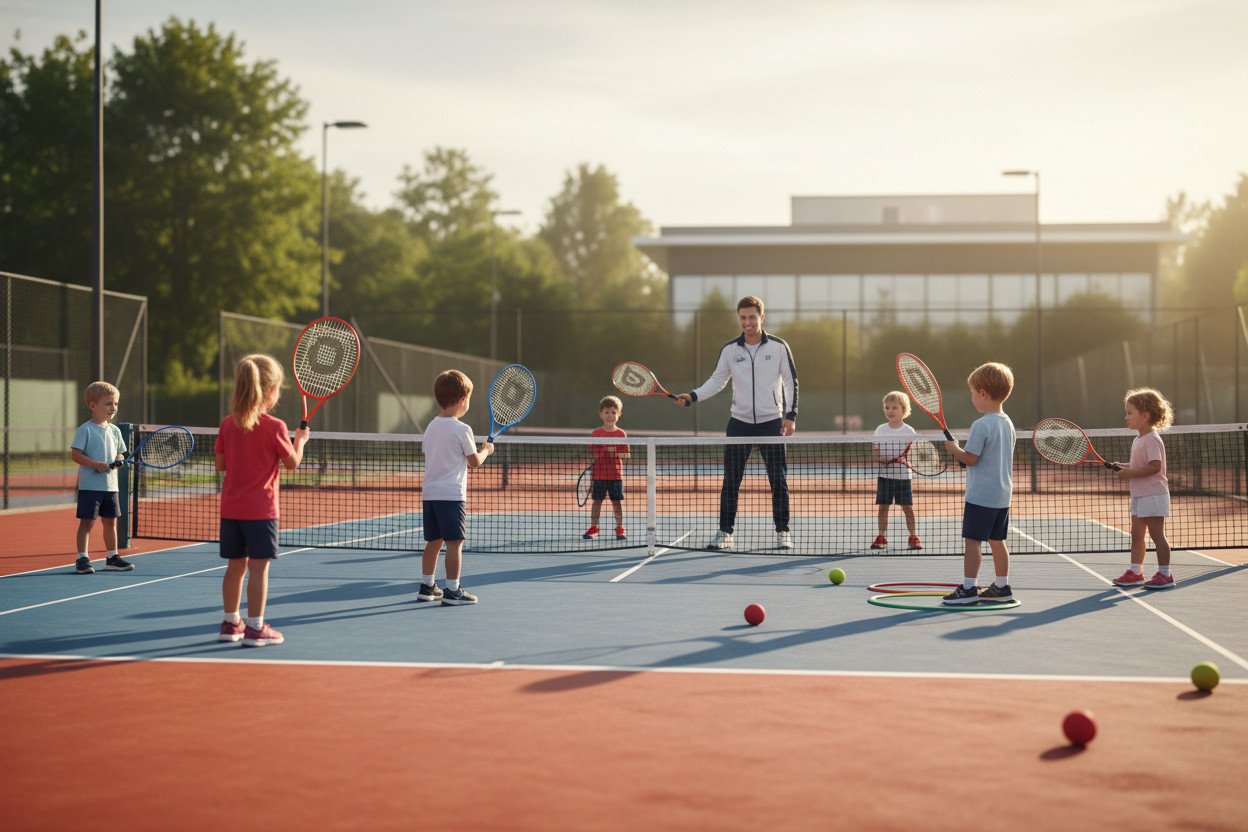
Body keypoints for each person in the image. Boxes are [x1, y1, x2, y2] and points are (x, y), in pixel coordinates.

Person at [674, 295, 798, 550]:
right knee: (731, 480)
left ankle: (783, 532)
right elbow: (717, 381)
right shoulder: (730, 349)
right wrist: (693, 396)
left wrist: (790, 416)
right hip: (739, 424)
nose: (748, 322)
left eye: (752, 317)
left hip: (772, 424)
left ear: (761, 317)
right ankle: (725, 533)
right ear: (739, 319)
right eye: (743, 317)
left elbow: (790, 382)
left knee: (778, 480)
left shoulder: (778, 347)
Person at [215, 354, 309, 646]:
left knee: (235, 567)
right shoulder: (275, 426)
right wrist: (301, 440)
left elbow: (221, 464)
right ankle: (255, 627)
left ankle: (231, 624)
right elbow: (292, 463)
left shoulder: (228, 424)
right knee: (259, 569)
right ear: (270, 392)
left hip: (231, 510)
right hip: (262, 511)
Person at [941, 363, 1016, 605]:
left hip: (981, 495)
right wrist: (963, 454)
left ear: (983, 393)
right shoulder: (1007, 423)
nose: (972, 397)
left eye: (973, 392)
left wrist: (954, 449)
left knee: (972, 541)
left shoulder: (981, 424)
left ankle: (968, 589)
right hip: (1002, 495)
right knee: (997, 540)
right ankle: (1002, 587)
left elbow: (970, 458)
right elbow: (987, 457)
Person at [419, 369, 494, 606]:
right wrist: (486, 450)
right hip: (452, 496)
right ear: (463, 400)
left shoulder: (431, 426)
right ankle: (453, 589)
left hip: (430, 495)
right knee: (455, 543)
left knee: (434, 541)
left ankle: (427, 586)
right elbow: (474, 463)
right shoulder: (463, 429)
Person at [1110, 388, 1176, 589]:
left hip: (1154, 495)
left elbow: (1155, 466)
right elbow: (1140, 465)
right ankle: (1135, 572)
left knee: (1157, 536)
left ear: (1145, 415)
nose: (1126, 417)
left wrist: (1130, 473)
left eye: (1130, 413)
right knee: (1137, 535)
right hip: (1140, 495)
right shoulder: (1139, 439)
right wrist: (1125, 466)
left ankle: (1165, 574)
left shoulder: (1152, 439)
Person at [70, 381, 133, 574]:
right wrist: (96, 464)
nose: (112, 408)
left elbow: (120, 453)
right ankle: (82, 558)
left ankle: (112, 557)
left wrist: (119, 459)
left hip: (110, 486)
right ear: (92, 405)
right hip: (90, 487)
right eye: (108, 403)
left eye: (115, 404)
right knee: (87, 523)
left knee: (111, 522)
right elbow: (76, 454)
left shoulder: (114, 431)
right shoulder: (85, 429)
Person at [870, 391, 923, 551]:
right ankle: (881, 536)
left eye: (894, 407)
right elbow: (875, 451)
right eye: (887, 407)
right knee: (883, 507)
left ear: (904, 410)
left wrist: (905, 460)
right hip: (885, 476)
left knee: (907, 508)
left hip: (903, 477)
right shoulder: (880, 429)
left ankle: (913, 536)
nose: (890, 411)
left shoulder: (909, 431)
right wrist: (881, 460)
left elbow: (915, 453)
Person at [583, 395, 630, 541]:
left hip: (615, 476)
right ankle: (593, 527)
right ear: (601, 414)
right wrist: (604, 451)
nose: (610, 415)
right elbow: (594, 455)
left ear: (619, 414)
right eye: (607, 412)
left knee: (617, 503)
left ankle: (620, 528)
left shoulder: (621, 434)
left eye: (613, 412)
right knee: (597, 502)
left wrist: (614, 452)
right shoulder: (596, 433)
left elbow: (627, 455)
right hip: (599, 476)